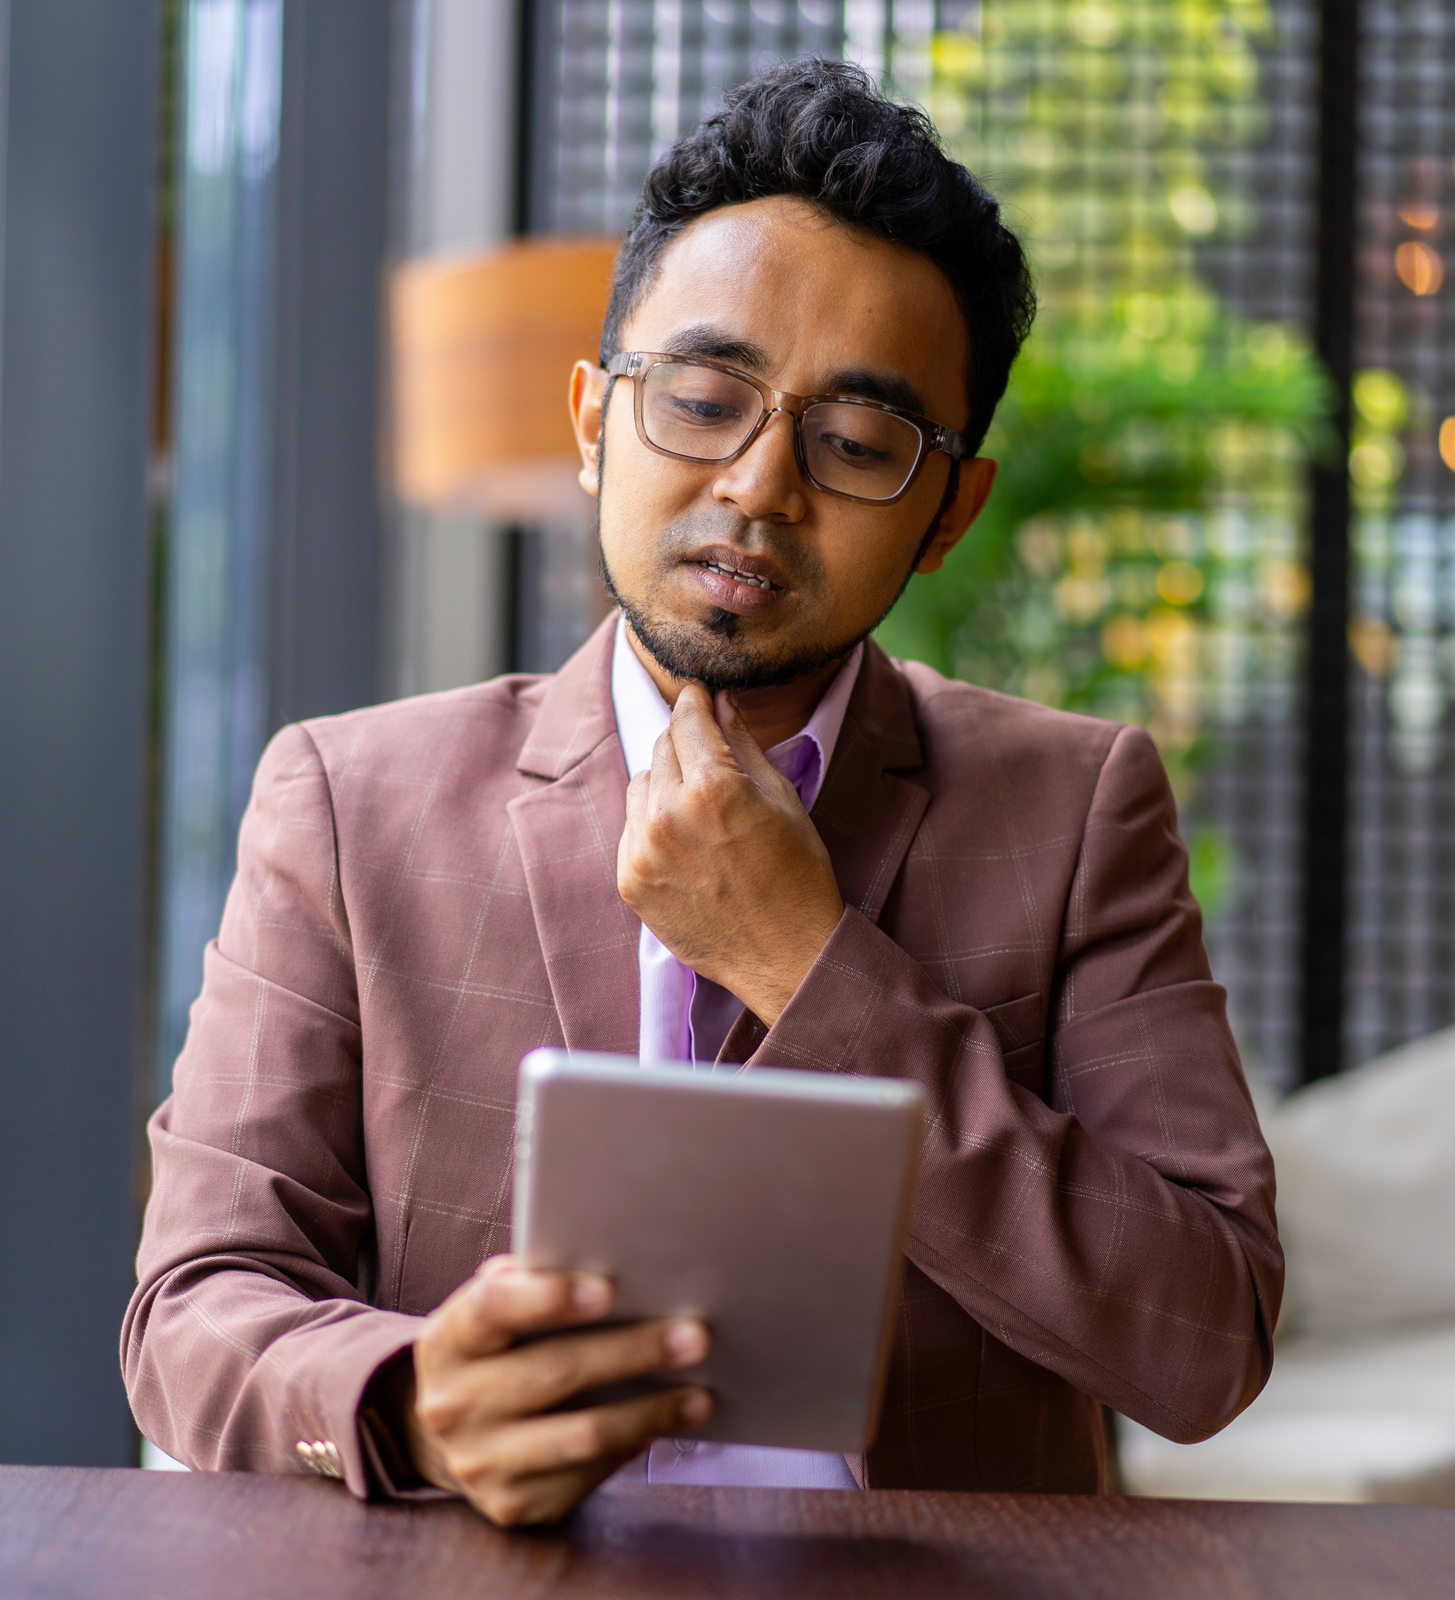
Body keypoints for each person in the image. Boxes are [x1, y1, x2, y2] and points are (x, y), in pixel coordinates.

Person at [124, 58, 1280, 1528]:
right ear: (596, 418)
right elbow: (193, 1304)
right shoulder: (352, 802)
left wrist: (813, 966)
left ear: (948, 515)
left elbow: (1206, 1335)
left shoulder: (1072, 811)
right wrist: (411, 1402)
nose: (758, 485)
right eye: (703, 398)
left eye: (856, 445)